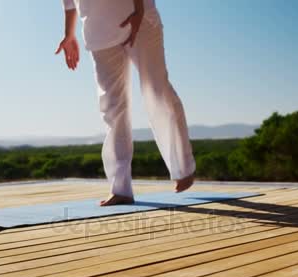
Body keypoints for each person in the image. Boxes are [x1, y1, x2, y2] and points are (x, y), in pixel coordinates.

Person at [57, 0, 195, 206]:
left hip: (138, 19)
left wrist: (139, 10)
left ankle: (183, 167)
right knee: (112, 109)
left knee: (156, 91)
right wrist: (69, 34)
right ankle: (121, 188)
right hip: (99, 33)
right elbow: (69, 3)